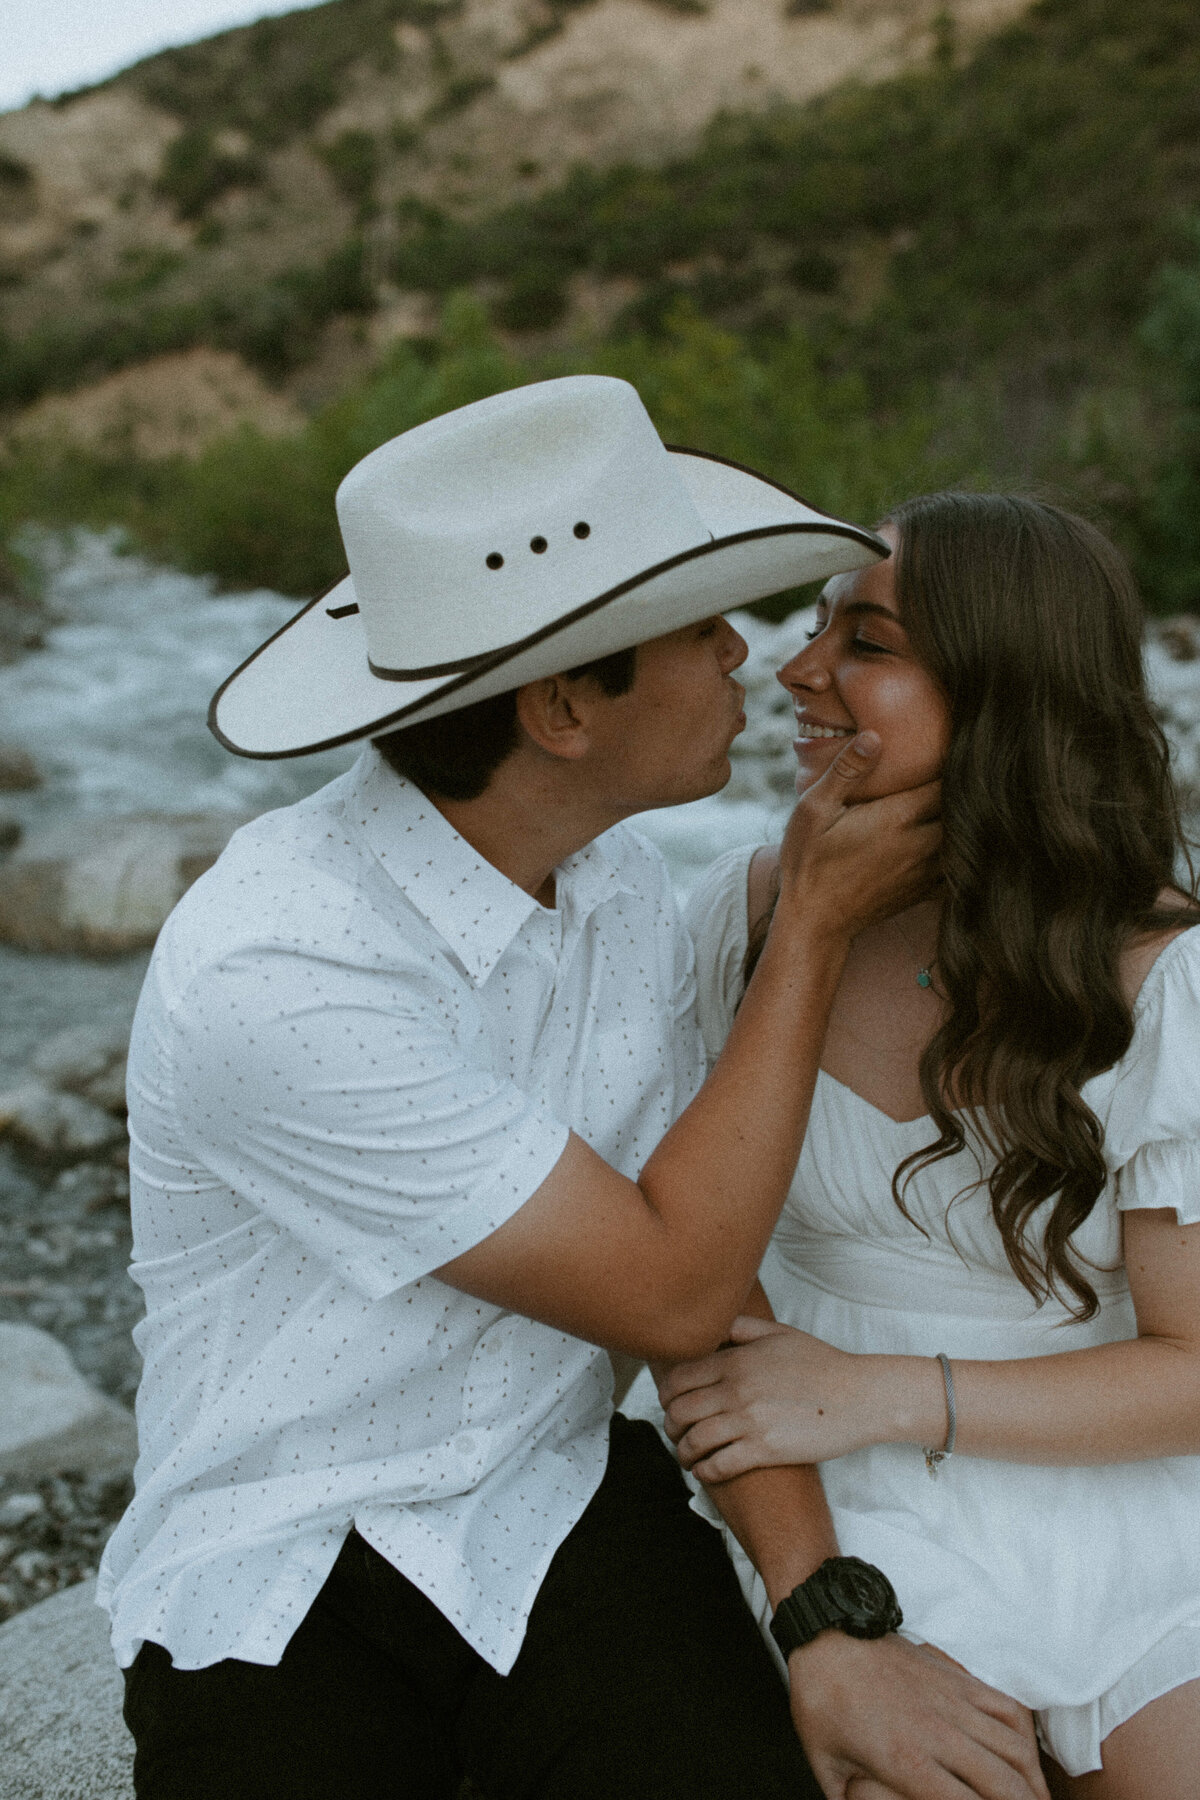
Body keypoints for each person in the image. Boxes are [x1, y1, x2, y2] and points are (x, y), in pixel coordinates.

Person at [97, 380, 1048, 1800]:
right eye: (695, 629)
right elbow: (667, 1285)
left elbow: (708, 1286)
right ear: (558, 710)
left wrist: (822, 1619)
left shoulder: (611, 883)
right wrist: (816, 931)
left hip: (554, 1508)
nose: (747, 653)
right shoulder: (280, 969)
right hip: (283, 1568)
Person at [650, 492, 1200, 1800]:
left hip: (1101, 1483)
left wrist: (880, 1388)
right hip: (822, 1494)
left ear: (1006, 692)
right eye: (817, 626)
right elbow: (673, 1259)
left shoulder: (1161, 975)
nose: (798, 671)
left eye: (868, 643)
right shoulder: (745, 914)